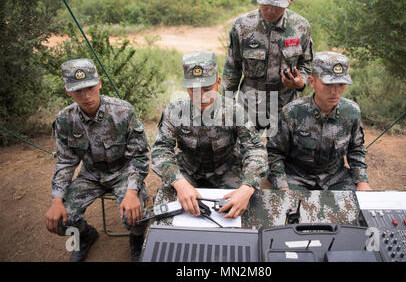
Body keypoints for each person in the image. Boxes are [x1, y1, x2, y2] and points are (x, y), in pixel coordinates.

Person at [44, 59, 150, 262]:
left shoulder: (123, 111)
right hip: (91, 175)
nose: (86, 96)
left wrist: (132, 191)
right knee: (59, 221)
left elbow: (140, 155)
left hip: (124, 172)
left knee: (135, 216)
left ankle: (136, 240)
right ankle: (86, 236)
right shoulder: (65, 120)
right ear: (68, 91)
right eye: (78, 91)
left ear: (99, 83)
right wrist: (56, 200)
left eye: (90, 87)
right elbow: (66, 162)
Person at [151, 50, 268, 218]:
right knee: (169, 211)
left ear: (218, 83)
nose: (201, 97)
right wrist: (178, 181)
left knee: (242, 211)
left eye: (207, 89)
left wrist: (247, 186)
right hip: (187, 171)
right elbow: (160, 150)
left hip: (226, 170)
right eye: (193, 90)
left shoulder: (234, 111)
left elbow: (255, 149)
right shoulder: (174, 111)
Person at [222, 0, 313, 132]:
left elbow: (306, 63)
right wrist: (225, 105)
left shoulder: (301, 27)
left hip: (285, 106)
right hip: (249, 105)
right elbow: (232, 69)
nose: (270, 10)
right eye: (266, 2)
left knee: (282, 155)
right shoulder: (242, 26)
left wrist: (301, 82)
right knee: (246, 152)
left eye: (277, 5)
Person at [267, 51, 372, 191]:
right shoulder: (292, 112)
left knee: (353, 207)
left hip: (335, 177)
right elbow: (274, 152)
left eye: (341, 84)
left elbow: (356, 149)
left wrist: (362, 181)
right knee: (292, 208)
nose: (335, 92)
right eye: (328, 84)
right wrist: (282, 186)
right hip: (296, 177)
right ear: (312, 82)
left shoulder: (351, 111)